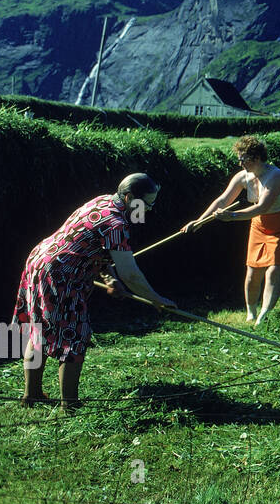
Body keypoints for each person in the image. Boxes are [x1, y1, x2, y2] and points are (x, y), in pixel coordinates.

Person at [14, 173, 174, 408]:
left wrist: (109, 277)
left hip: (40, 260)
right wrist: (156, 299)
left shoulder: (103, 201)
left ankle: (32, 395)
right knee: (74, 338)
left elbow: (95, 247)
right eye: (146, 203)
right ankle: (70, 405)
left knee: (40, 331)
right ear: (130, 198)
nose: (148, 209)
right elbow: (131, 274)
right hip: (60, 275)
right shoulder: (116, 224)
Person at [183, 135, 280, 325]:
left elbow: (262, 207)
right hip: (260, 226)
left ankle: (264, 315)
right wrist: (200, 221)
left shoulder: (275, 176)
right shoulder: (242, 177)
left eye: (242, 158)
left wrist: (233, 216)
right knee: (253, 273)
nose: (239, 162)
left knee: (274, 271)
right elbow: (222, 200)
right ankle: (251, 313)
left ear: (256, 157)